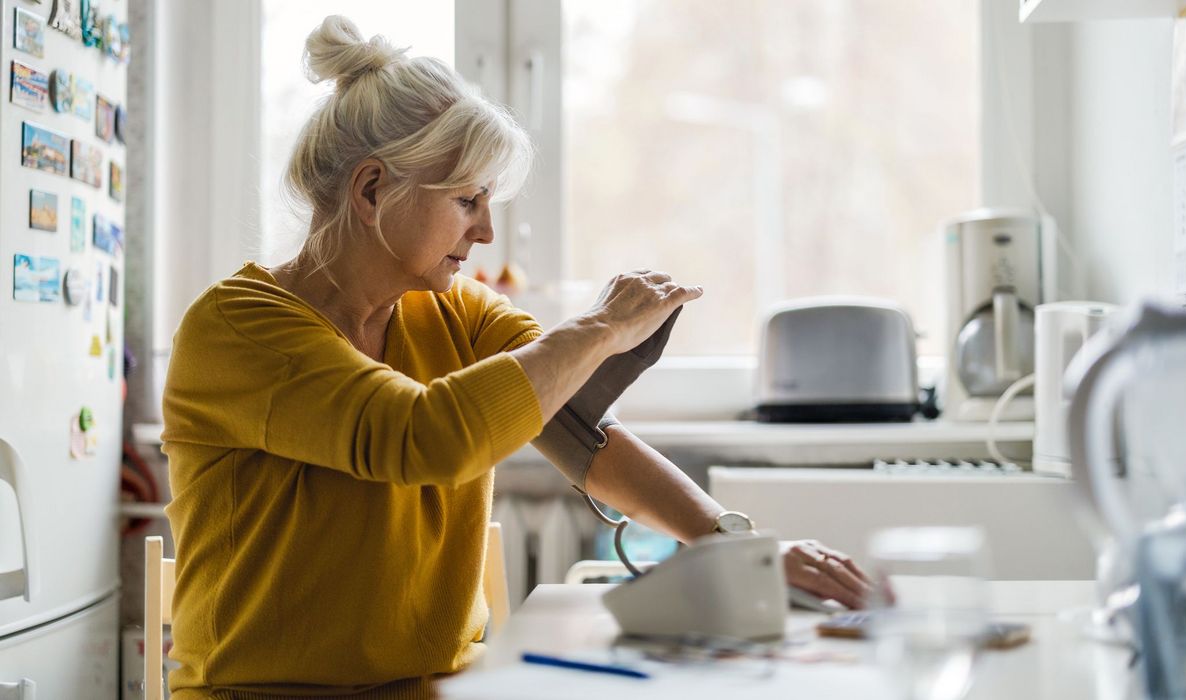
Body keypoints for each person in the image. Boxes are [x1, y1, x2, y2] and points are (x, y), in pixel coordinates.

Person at [161, 15, 873, 700]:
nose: (487, 229)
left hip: (448, 688)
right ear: (373, 189)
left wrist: (732, 547)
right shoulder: (237, 330)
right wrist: (597, 328)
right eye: (468, 199)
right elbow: (421, 438)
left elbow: (574, 424)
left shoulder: (455, 310)